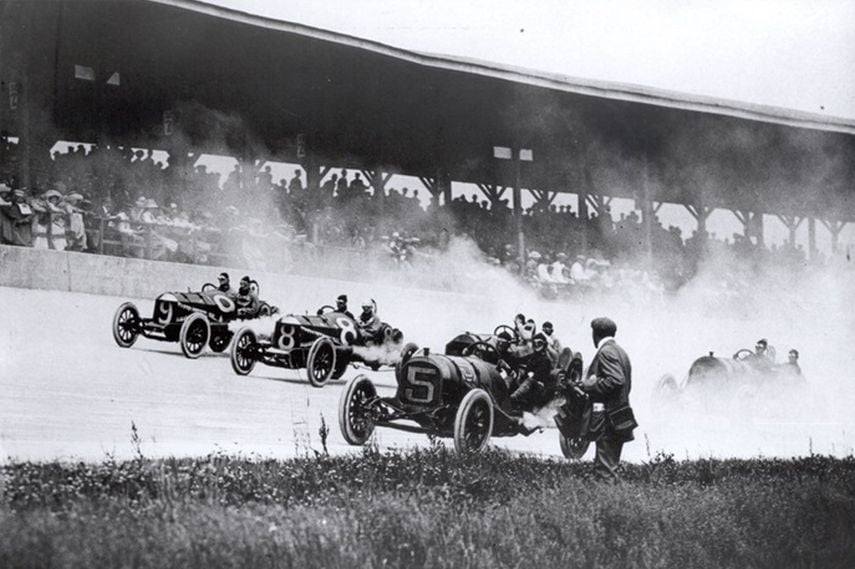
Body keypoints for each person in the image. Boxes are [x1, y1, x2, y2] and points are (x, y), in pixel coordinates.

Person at [580, 317, 637, 479]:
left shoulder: (606, 351)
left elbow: (616, 380)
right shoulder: (620, 351)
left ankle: (607, 501)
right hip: (619, 415)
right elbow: (625, 384)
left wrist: (588, 386)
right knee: (609, 465)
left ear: (595, 334)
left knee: (605, 471)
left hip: (607, 418)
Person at [509, 333, 556, 411]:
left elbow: (537, 375)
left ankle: (515, 400)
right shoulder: (533, 356)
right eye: (535, 343)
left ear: (544, 345)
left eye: (539, 343)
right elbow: (518, 360)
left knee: (530, 380)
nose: (537, 345)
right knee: (515, 377)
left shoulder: (545, 360)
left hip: (538, 388)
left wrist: (529, 375)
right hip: (529, 385)